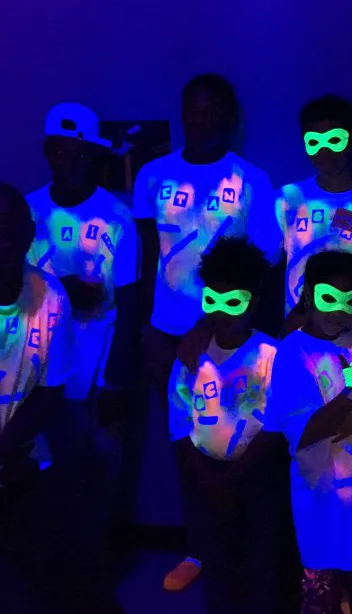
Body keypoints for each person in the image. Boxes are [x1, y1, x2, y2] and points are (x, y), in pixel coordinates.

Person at [133, 73, 279, 590]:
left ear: (230, 117)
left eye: (214, 108)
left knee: (235, 442)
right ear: (181, 112)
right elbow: (146, 259)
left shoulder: (252, 180)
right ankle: (201, 551)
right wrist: (144, 331)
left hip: (228, 338)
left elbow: (263, 262)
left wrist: (210, 325)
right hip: (166, 337)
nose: (203, 118)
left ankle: (240, 553)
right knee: (186, 445)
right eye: (194, 108)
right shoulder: (152, 174)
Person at [0, 183, 121, 613]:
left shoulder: (50, 296)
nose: (3, 239)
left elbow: (49, 390)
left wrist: (6, 450)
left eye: (11, 227)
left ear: (29, 232)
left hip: (20, 451)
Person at [25, 103, 139, 550]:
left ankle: (94, 560)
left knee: (98, 466)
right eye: (60, 151)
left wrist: (115, 380)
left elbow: (129, 302)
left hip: (95, 364)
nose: (69, 161)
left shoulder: (116, 215)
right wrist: (60, 288)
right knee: (43, 467)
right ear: (46, 152)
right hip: (34, 369)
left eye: (79, 153)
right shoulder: (26, 211)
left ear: (94, 155)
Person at [264, 250, 352, 614]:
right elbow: (305, 432)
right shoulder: (292, 352)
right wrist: (350, 395)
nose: (338, 311)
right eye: (329, 298)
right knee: (320, 593)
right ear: (308, 294)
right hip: (321, 500)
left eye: (348, 301)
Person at [168, 237, 290, 614]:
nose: (221, 312)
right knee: (216, 559)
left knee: (260, 557)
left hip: (257, 475)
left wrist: (236, 472)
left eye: (232, 301)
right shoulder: (192, 355)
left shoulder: (270, 354)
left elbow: (276, 423)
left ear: (253, 302)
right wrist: (204, 474)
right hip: (204, 472)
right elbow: (177, 417)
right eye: (212, 299)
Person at [276, 95, 352, 328]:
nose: (324, 150)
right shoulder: (287, 199)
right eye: (315, 141)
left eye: (334, 140)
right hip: (301, 331)